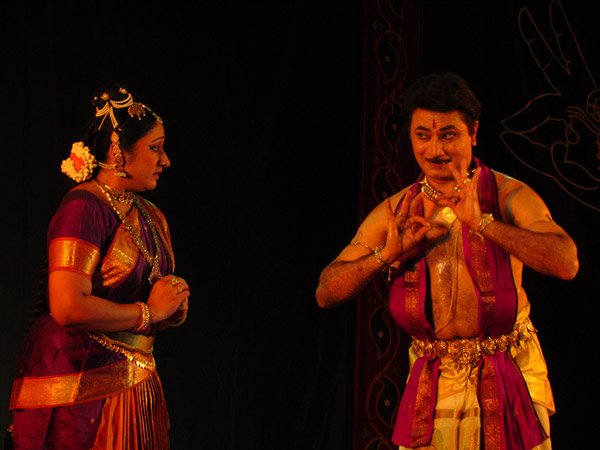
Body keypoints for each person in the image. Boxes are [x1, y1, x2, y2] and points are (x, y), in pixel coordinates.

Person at [315, 73, 579, 450]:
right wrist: (385, 255)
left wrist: (485, 224)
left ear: (474, 132)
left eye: (448, 135)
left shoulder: (508, 196)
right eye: (422, 135)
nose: (435, 149)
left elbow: (566, 263)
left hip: (509, 370)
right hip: (434, 382)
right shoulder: (396, 211)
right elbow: (326, 291)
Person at [6, 84, 189, 449]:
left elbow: (151, 295)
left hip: (136, 382)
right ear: (118, 151)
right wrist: (148, 312)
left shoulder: (151, 215)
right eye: (155, 148)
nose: (165, 160)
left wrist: (172, 304)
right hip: (83, 385)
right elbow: (68, 306)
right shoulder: (83, 208)